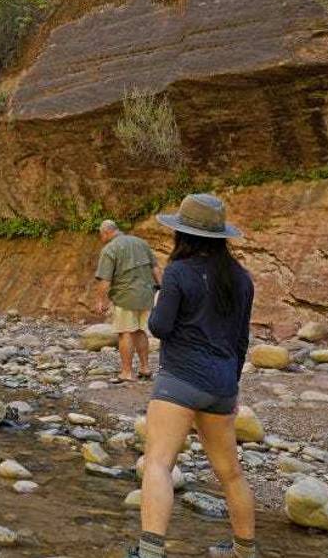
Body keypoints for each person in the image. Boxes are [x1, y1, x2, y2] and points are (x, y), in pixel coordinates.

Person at [126, 194, 256, 558]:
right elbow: (240, 341)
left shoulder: (179, 272)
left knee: (159, 462)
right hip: (222, 385)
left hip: (180, 380)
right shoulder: (241, 279)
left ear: (182, 233)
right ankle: (245, 551)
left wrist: (157, 302)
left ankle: (150, 551)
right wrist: (230, 385)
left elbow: (160, 327)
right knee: (231, 473)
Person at [95, 219, 162, 383]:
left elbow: (105, 280)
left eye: (100, 235)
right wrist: (162, 289)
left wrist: (101, 301)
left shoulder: (110, 249)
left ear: (106, 232)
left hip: (125, 297)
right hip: (146, 295)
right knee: (140, 330)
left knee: (125, 332)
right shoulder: (141, 243)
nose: (101, 238)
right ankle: (145, 368)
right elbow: (155, 268)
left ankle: (127, 372)